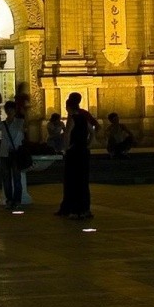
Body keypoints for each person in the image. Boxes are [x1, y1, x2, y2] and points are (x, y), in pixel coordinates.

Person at [56, 92, 96, 220]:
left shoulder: (72, 119)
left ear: (68, 107)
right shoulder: (83, 118)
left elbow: (67, 134)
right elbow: (93, 132)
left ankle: (73, 209)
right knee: (83, 181)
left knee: (72, 180)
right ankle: (85, 209)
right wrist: (88, 144)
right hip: (83, 151)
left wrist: (66, 148)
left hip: (74, 152)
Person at [0, 100, 30, 209]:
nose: (10, 111)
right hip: (5, 153)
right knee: (6, 178)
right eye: (8, 109)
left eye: (12, 109)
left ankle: (17, 200)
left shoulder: (20, 122)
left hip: (16, 152)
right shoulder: (2, 124)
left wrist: (24, 112)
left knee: (17, 178)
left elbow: (27, 125)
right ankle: (9, 200)